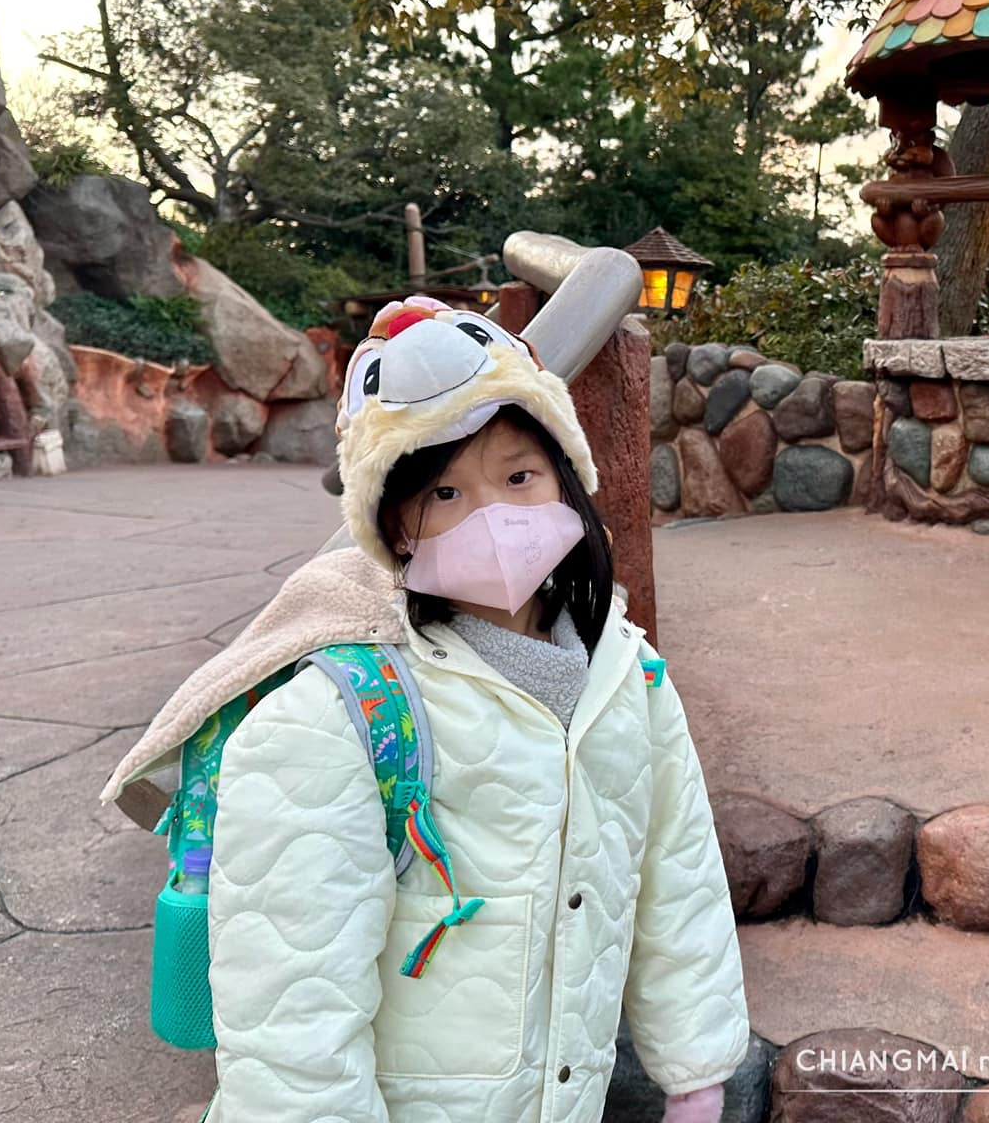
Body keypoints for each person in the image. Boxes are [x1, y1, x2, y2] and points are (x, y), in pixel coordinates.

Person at [163, 297, 748, 1122]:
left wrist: (697, 1067)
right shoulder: (338, 715)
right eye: (444, 492)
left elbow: (677, 873)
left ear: (567, 481)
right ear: (395, 526)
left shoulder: (630, 674)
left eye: (519, 477)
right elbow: (292, 1002)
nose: (495, 515)